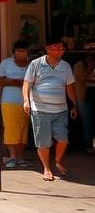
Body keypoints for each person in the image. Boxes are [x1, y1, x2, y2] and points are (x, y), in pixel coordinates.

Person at [23, 35, 78, 181]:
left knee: (63, 139)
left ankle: (58, 161)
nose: (61, 51)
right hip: (40, 109)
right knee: (43, 141)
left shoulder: (65, 66)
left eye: (62, 48)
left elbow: (70, 87)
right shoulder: (35, 64)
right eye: (58, 48)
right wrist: (26, 101)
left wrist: (74, 105)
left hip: (60, 109)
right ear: (48, 49)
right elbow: (27, 83)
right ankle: (46, 169)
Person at [0, 40, 32, 168]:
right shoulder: (6, 63)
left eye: (23, 50)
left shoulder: (31, 65)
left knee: (23, 129)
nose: (21, 53)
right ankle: (12, 157)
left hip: (26, 101)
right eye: (18, 50)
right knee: (11, 128)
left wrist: (25, 83)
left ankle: (20, 156)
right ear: (14, 51)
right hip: (8, 101)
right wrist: (14, 82)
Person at [72, 48, 95, 153]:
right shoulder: (79, 65)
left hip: (92, 93)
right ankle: (88, 145)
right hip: (83, 96)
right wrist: (90, 66)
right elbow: (83, 78)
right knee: (87, 121)